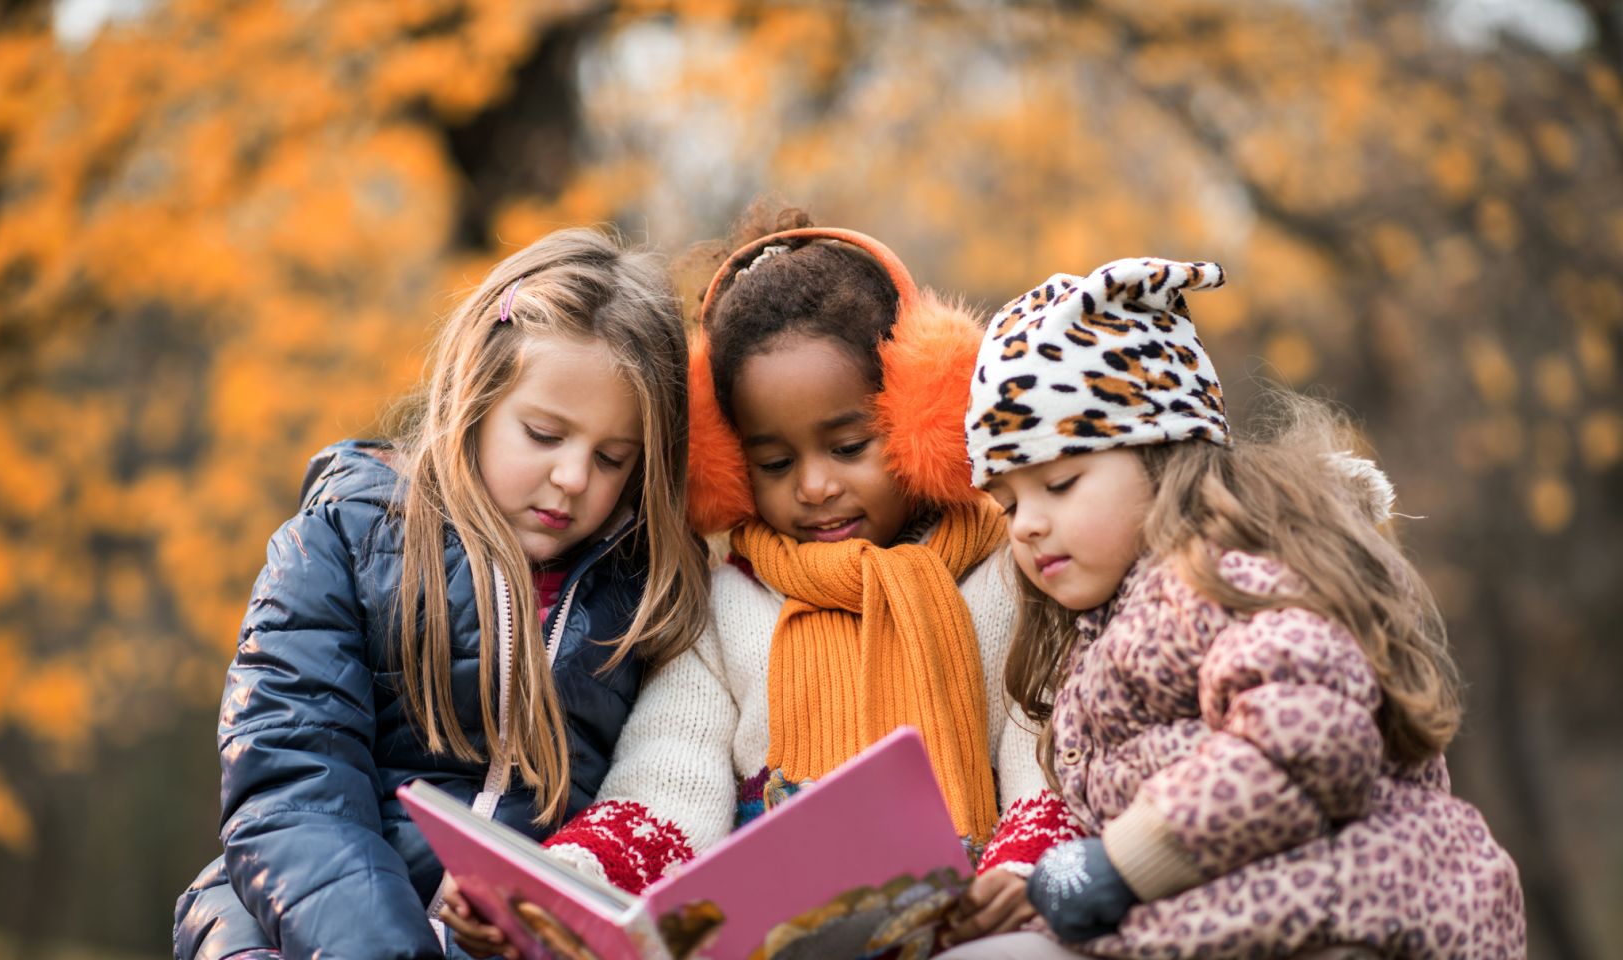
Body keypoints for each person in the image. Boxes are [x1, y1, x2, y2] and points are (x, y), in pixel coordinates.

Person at [483, 206, 1079, 956]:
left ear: (923, 412)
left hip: (974, 923)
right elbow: (669, 776)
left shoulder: (1007, 577)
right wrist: (574, 877)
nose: (815, 486)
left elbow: (1046, 754)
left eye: (850, 444)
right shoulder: (727, 607)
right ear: (727, 465)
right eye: (774, 463)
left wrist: (1022, 868)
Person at [939, 258, 1525, 959]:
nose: (1027, 524)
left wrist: (1121, 864)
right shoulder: (1104, 631)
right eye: (1007, 503)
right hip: (1244, 917)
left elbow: (1305, 736)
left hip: (1360, 914)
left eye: (1059, 483)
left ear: (1162, 454)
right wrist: (1037, 883)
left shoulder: (1223, 581)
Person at [170, 228, 709, 960]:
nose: (575, 478)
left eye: (612, 458)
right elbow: (292, 792)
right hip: (299, 923)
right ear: (476, 399)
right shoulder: (343, 539)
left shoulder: (646, 599)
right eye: (544, 435)